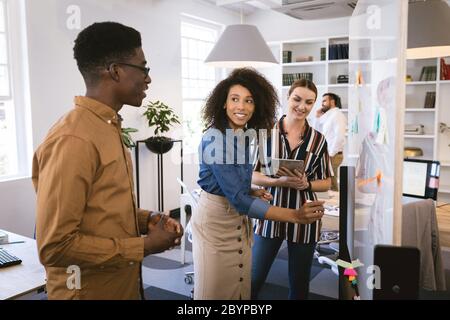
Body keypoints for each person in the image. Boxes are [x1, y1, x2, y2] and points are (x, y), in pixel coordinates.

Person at [32, 22, 183, 300]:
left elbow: (100, 209)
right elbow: (54, 246)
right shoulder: (73, 139)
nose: (148, 78)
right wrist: (144, 246)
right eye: (143, 68)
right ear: (115, 71)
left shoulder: (107, 126)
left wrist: (145, 218)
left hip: (121, 285)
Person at [193, 68, 325, 300]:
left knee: (240, 286)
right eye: (234, 99)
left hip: (237, 220)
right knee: (213, 292)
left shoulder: (242, 135)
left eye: (249, 101)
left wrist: (252, 190)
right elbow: (239, 199)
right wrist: (296, 215)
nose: (241, 107)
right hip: (217, 220)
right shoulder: (216, 140)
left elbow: (236, 182)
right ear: (223, 103)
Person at [251, 79, 332, 300]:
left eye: (309, 102)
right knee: (253, 279)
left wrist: (307, 184)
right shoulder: (265, 133)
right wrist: (277, 182)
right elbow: (251, 174)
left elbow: (327, 182)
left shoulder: (318, 139)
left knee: (299, 283)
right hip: (269, 213)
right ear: (288, 98)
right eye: (297, 99)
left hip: (305, 217)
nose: (302, 106)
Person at [314, 92, 346, 191]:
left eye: (324, 101)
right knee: (330, 184)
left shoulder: (337, 115)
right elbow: (316, 132)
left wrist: (331, 154)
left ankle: (337, 205)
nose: (322, 103)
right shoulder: (329, 116)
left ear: (332, 102)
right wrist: (317, 117)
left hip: (333, 155)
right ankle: (335, 205)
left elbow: (339, 136)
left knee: (331, 184)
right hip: (328, 154)